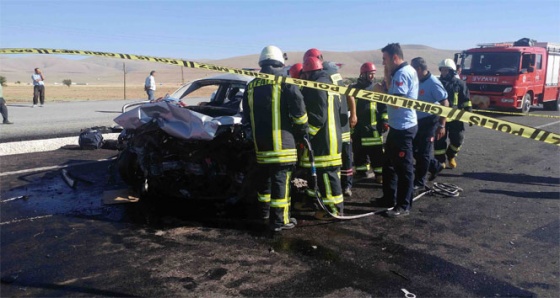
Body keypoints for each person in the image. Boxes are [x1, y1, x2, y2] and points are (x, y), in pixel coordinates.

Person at [241, 46, 308, 232]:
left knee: (265, 182)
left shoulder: (251, 85)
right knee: (281, 183)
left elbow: (246, 116)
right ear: (280, 62)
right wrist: (303, 132)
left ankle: (263, 212)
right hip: (282, 146)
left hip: (260, 147)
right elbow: (299, 113)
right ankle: (280, 221)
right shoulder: (285, 82)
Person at [371, 43, 418, 218]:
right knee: (389, 165)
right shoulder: (399, 72)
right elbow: (392, 89)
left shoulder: (403, 73)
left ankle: (403, 206)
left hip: (403, 128)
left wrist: (379, 93)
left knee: (404, 169)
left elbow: (395, 103)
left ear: (395, 58)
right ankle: (389, 199)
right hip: (397, 127)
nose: (383, 63)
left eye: (385, 59)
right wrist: (386, 74)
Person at [303, 48, 355, 197]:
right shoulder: (330, 80)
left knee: (331, 170)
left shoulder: (319, 84)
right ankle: (342, 188)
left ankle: (336, 202)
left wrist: (306, 135)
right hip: (338, 130)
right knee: (336, 168)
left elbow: (318, 116)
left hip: (329, 135)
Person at [298, 56, 343, 219]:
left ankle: (334, 210)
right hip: (330, 136)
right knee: (322, 174)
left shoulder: (315, 86)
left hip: (324, 139)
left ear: (308, 72)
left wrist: (306, 135)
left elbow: (317, 117)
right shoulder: (327, 82)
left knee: (327, 175)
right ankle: (317, 202)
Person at [410, 57, 448, 190]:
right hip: (416, 121)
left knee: (424, 152)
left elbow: (445, 103)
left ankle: (419, 182)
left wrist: (442, 125)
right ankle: (435, 166)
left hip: (429, 121)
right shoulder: (416, 80)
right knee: (413, 149)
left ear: (419, 69)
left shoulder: (433, 83)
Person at [349, 62, 387, 184]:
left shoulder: (377, 88)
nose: (372, 77)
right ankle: (361, 172)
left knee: (376, 153)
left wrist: (385, 121)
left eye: (373, 74)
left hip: (373, 129)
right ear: (363, 74)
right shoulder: (354, 89)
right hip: (358, 128)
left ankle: (379, 174)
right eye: (370, 74)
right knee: (359, 152)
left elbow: (383, 107)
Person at [434, 59, 472, 169]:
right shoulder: (436, 83)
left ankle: (451, 155)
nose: (444, 72)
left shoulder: (460, 84)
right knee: (439, 141)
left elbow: (466, 101)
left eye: (447, 70)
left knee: (458, 139)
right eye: (442, 70)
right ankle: (440, 162)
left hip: (456, 117)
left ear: (452, 71)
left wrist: (469, 115)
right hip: (440, 117)